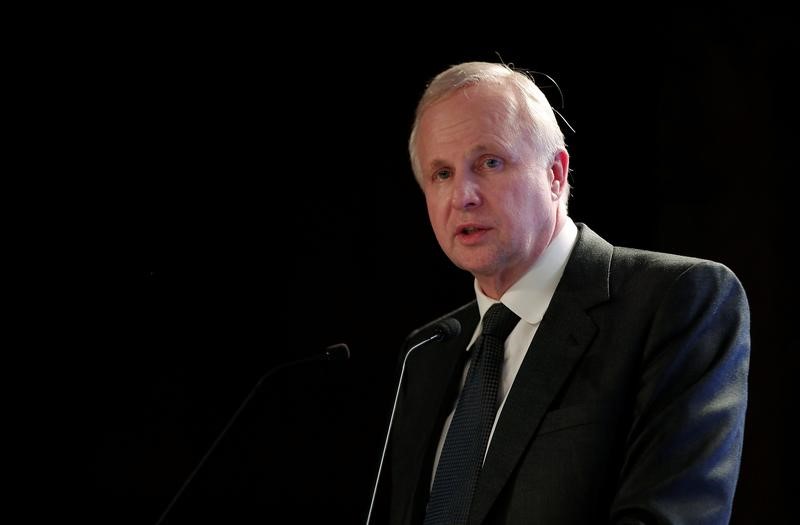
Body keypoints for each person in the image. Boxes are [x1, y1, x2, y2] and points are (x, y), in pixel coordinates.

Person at [371, 62, 750, 524]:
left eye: (489, 162)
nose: (462, 196)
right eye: (441, 174)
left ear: (555, 173)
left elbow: (671, 514)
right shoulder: (428, 351)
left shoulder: (675, 300)